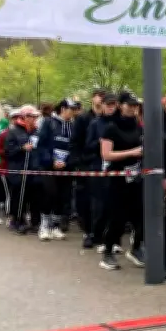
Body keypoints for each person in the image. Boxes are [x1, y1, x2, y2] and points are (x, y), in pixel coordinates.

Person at [99, 92, 144, 271]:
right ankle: (108, 252)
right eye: (129, 105)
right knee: (117, 218)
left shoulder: (139, 126)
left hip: (136, 176)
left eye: (135, 105)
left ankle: (136, 248)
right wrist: (132, 152)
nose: (133, 108)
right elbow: (106, 154)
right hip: (117, 177)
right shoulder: (111, 127)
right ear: (120, 105)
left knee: (140, 215)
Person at [36, 99, 77, 241]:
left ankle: (55, 226)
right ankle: (44, 226)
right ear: (63, 109)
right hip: (49, 166)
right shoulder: (48, 122)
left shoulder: (73, 126)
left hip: (65, 167)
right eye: (71, 108)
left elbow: (74, 147)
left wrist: (67, 162)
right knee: (50, 193)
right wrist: (51, 160)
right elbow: (41, 144)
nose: (73, 111)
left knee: (63, 196)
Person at [70, 89, 105, 247]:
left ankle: (100, 232)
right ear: (93, 99)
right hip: (86, 164)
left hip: (104, 164)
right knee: (85, 201)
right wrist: (79, 161)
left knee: (101, 201)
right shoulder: (83, 118)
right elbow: (75, 142)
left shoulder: (109, 119)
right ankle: (88, 232)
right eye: (99, 99)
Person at [87, 93, 119, 252]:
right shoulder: (95, 123)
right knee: (99, 204)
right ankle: (96, 235)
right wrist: (100, 143)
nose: (111, 107)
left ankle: (113, 238)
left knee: (114, 204)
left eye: (114, 104)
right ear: (103, 106)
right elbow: (88, 144)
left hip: (116, 166)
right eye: (108, 104)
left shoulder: (119, 123)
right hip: (99, 166)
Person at [5, 105, 43, 234]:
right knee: (19, 196)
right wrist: (21, 148)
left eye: (36, 117)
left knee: (35, 196)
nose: (35, 119)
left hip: (34, 169)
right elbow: (8, 152)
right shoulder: (14, 131)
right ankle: (17, 220)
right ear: (25, 117)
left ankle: (35, 222)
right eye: (32, 117)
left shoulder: (37, 131)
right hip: (19, 169)